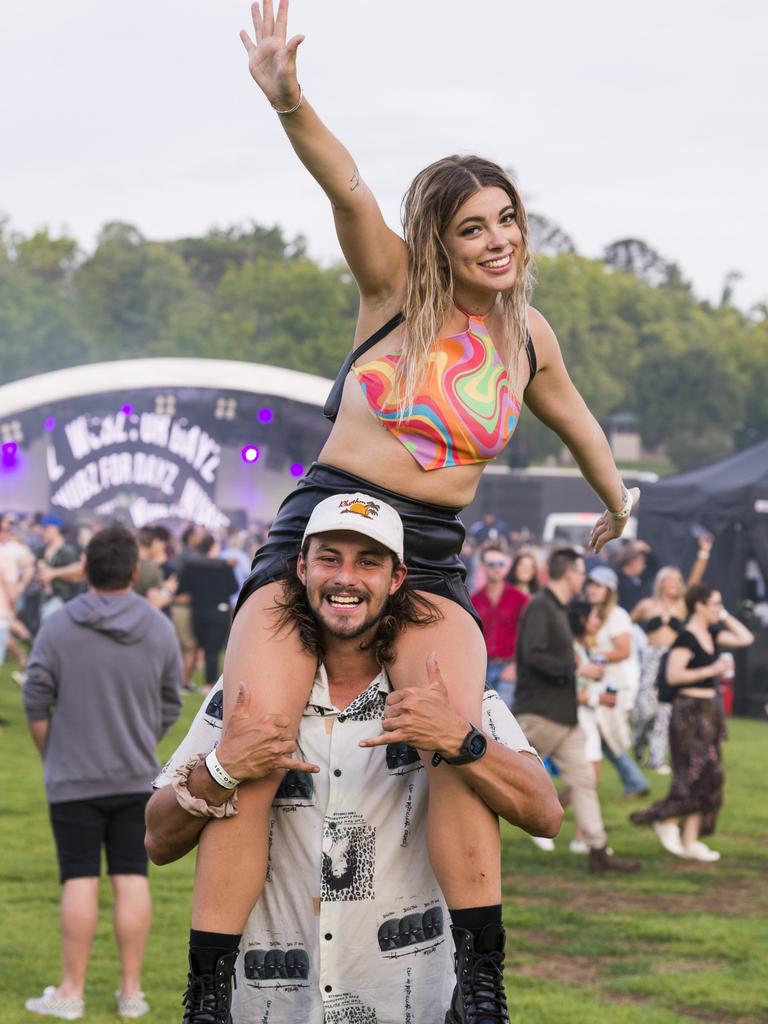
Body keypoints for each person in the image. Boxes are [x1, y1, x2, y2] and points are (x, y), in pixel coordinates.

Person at [185, 2, 638, 1018]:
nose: (497, 240)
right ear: (437, 236)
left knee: (457, 742)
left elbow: (581, 425)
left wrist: (615, 499)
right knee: (255, 735)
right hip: (329, 528)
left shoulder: (531, 337)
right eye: (472, 226)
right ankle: (207, 989)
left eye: (507, 220)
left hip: (427, 552)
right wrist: (290, 97)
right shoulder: (393, 288)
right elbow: (344, 183)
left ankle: (481, 986)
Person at [146, 494, 562, 1024]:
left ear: (396, 578)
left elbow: (544, 812)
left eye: (368, 562)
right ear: (301, 569)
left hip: (408, 1005)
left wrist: (460, 740)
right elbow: (158, 840)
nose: (346, 577)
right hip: (275, 1007)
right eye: (329, 559)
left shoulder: (442, 695)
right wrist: (222, 769)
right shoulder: (250, 694)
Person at [22, 524, 183, 1020]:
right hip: (134, 774)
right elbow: (171, 703)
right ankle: (131, 993)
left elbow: (35, 697)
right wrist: (138, 738)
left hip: (73, 775)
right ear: (135, 572)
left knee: (79, 880)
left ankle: (71, 993)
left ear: (85, 569)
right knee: (132, 878)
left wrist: (55, 751)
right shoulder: (158, 627)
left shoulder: (58, 625)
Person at [514, 547, 641, 873]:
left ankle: (598, 850)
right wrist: (577, 670)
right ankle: (464, 842)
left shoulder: (561, 609)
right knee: (499, 784)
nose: (584, 579)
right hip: (539, 714)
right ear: (569, 574)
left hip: (564, 717)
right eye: (581, 573)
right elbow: (533, 655)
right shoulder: (541, 607)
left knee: (584, 780)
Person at [629, 583, 753, 861]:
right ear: (699, 605)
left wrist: (723, 616)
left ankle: (690, 840)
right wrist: (712, 669)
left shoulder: (712, 631)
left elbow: (745, 638)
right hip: (689, 713)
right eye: (715, 604)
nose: (719, 609)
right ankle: (664, 818)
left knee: (711, 777)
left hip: (709, 711)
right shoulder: (686, 637)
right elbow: (674, 676)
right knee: (693, 776)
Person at [630, 537, 711, 773]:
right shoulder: (647, 605)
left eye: (678, 580)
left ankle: (657, 757)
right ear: (661, 582)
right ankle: (638, 740)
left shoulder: (682, 606)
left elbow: (695, 581)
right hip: (651, 657)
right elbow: (624, 623)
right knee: (646, 709)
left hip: (672, 658)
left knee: (665, 709)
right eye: (670, 580)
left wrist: (703, 554)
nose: (675, 583)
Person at [584, 565, 649, 799]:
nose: (592, 589)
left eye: (598, 586)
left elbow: (624, 650)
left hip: (614, 683)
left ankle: (634, 780)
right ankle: (634, 781)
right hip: (594, 682)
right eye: (591, 584)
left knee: (608, 732)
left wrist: (594, 656)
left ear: (609, 590)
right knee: (601, 733)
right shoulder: (590, 613)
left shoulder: (618, 615)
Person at [566, 599, 620, 854]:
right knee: (586, 781)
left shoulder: (586, 648)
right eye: (595, 617)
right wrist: (599, 698)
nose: (598, 622)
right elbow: (571, 690)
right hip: (577, 719)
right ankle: (581, 838)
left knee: (588, 782)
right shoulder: (574, 650)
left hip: (589, 719)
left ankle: (581, 836)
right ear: (582, 620)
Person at [177, 534, 240, 693]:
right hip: (219, 611)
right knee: (213, 649)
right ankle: (208, 684)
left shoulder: (191, 565)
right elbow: (233, 587)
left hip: (197, 611)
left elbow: (183, 587)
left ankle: (187, 681)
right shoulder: (224, 566)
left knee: (199, 646)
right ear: (213, 547)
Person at [471, 544, 528, 708]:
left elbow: (527, 635)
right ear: (483, 567)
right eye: (491, 564)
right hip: (481, 669)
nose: (496, 569)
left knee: (505, 720)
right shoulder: (474, 599)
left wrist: (515, 665)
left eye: (500, 564)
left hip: (508, 667)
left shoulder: (519, 599)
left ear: (507, 565)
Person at [36, 515, 84, 621]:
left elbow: (80, 570)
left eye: (45, 528)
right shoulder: (41, 550)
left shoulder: (72, 546)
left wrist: (53, 573)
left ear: (54, 528)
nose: (42, 532)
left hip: (69, 598)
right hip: (46, 597)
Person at [134, 524, 178, 611]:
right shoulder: (152, 570)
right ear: (154, 542)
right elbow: (154, 605)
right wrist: (167, 591)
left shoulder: (127, 562)